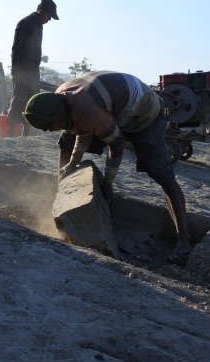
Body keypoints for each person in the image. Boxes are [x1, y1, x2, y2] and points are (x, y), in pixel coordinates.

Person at [22, 71, 192, 264]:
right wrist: (72, 163)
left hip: (145, 114)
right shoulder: (60, 97)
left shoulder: (86, 109)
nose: (49, 131)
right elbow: (80, 128)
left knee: (163, 176)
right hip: (110, 108)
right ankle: (61, 192)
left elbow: (116, 144)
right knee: (66, 140)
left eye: (49, 127)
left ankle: (184, 242)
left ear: (58, 114)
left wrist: (108, 184)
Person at [6, 0, 59, 136]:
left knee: (33, 105)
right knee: (17, 103)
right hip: (22, 71)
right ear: (42, 11)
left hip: (33, 72)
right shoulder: (25, 23)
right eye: (49, 16)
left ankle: (25, 136)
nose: (49, 20)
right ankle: (9, 135)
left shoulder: (39, 25)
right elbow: (16, 49)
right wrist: (15, 72)